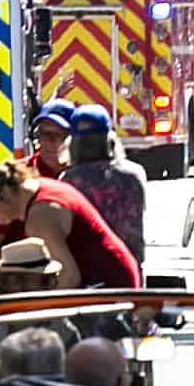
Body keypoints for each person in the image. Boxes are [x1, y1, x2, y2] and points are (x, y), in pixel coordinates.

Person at [0, 161, 141, 290]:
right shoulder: (43, 187)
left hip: (111, 292)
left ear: (4, 191)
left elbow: (69, 278)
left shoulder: (40, 217)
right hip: (118, 282)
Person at [60, 106, 150, 270]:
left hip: (86, 272)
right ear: (110, 141)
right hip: (129, 268)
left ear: (73, 144)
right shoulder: (134, 174)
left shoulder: (69, 180)